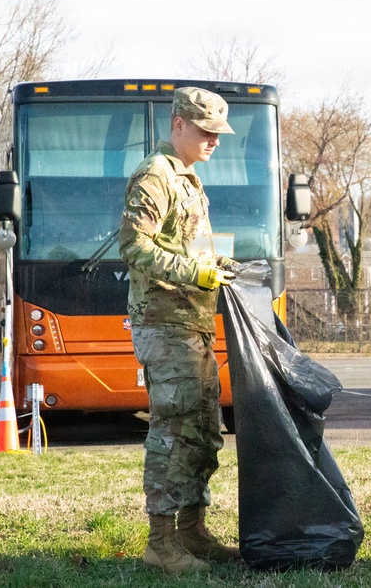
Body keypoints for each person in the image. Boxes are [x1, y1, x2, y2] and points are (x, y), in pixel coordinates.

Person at [120, 86, 242, 572]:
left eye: (219, 134)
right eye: (206, 131)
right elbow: (134, 247)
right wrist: (198, 273)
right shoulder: (155, 176)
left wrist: (216, 264)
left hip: (190, 325)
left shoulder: (188, 177)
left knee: (201, 428)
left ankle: (191, 532)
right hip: (164, 324)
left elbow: (183, 245)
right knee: (172, 429)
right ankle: (160, 543)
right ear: (178, 124)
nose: (214, 141)